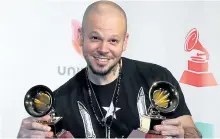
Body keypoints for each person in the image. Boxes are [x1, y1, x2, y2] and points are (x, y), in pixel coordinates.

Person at [17, 0, 202, 138]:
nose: (103, 49)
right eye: (95, 38)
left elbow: (194, 132)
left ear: (125, 41)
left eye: (113, 40)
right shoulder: (59, 101)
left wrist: (184, 135)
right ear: (80, 37)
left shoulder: (157, 79)